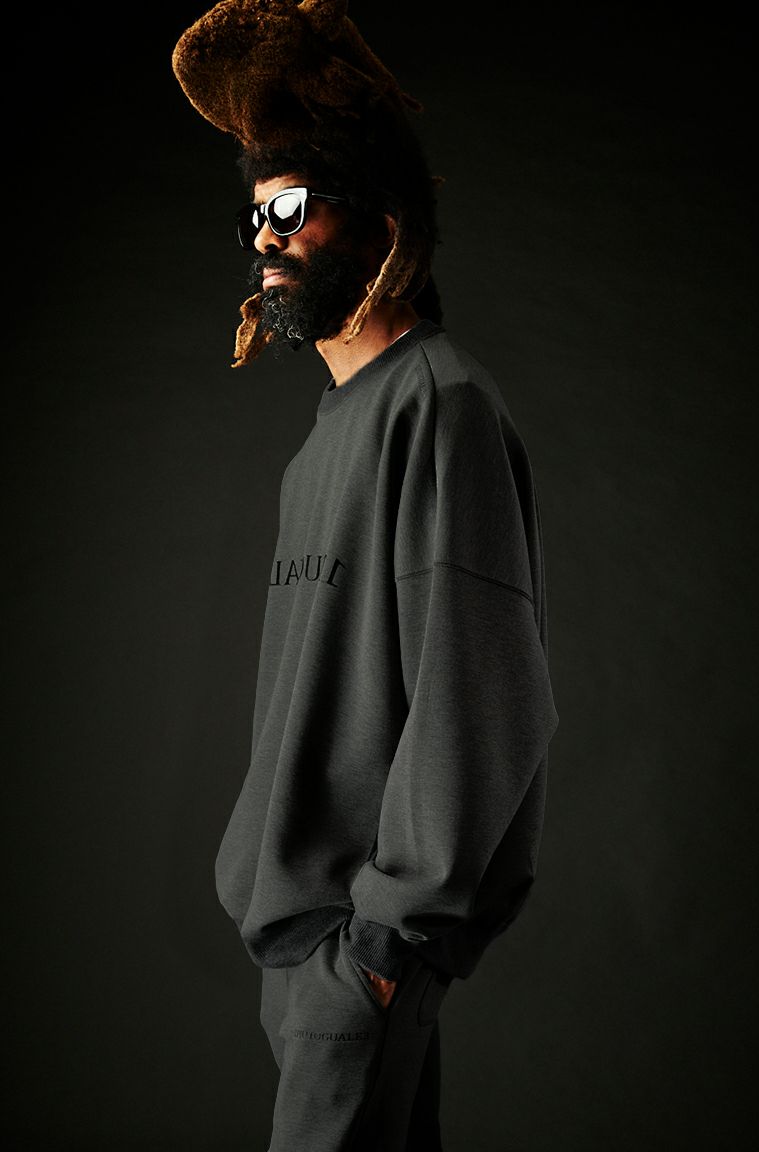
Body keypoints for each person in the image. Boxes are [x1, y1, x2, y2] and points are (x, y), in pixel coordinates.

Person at [172, 3, 560, 1149]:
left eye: (292, 208)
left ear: (382, 222)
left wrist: (386, 951)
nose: (266, 239)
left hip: (358, 963)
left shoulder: (441, 411)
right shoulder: (320, 446)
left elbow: (483, 708)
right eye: (255, 215)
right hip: (297, 962)